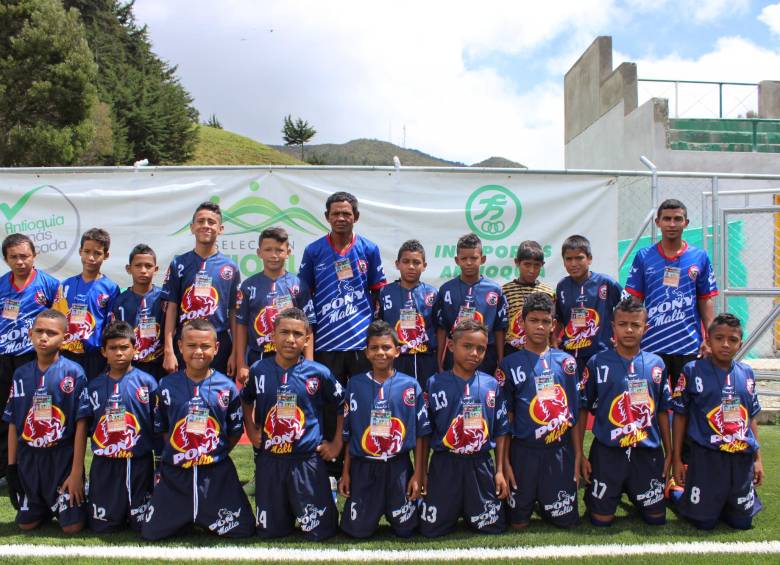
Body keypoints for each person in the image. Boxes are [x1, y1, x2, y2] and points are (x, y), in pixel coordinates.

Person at [298, 191, 386, 477]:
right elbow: (304, 294)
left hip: (361, 345)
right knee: (328, 406)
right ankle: (330, 468)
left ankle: (362, 460)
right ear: (326, 217)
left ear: (356, 217)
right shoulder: (313, 251)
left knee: (364, 403)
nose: (341, 218)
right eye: (335, 213)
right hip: (326, 343)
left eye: (346, 213)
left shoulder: (369, 250)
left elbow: (378, 294)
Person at [142, 319, 254, 540]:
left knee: (244, 530)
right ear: (180, 346)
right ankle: (184, 515)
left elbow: (233, 433)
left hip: (215, 475)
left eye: (205, 346)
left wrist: (211, 453)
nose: (199, 352)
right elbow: (162, 429)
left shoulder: (227, 387)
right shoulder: (166, 386)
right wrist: (182, 451)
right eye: (192, 346)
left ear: (216, 348)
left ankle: (204, 513)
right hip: (176, 474)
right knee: (151, 533)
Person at [241, 308, 344, 540]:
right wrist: (251, 428)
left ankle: (325, 488)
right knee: (270, 533)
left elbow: (342, 406)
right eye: (284, 332)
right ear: (273, 336)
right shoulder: (259, 370)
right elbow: (246, 400)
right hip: (271, 461)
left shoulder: (319, 373)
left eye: (297, 334)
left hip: (306, 462)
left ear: (306, 339)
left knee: (322, 533)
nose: (290, 339)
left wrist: (337, 443)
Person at [579, 299, 672, 527]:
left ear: (645, 328)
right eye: (623, 324)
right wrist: (580, 454)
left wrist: (669, 453)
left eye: (635, 325)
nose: (629, 329)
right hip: (608, 454)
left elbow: (662, 410)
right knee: (601, 520)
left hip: (647, 454)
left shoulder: (656, 364)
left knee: (656, 520)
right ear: (613, 327)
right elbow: (582, 408)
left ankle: (676, 493)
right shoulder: (597, 362)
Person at [670, 313, 764, 530]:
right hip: (706, 459)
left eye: (732, 340)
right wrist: (676, 458)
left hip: (740, 457)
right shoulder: (692, 370)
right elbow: (680, 415)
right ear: (708, 341)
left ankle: (726, 500)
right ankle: (676, 492)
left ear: (740, 344)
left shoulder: (747, 373)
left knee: (742, 523)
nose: (725, 344)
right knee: (703, 522)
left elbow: (750, 417)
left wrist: (757, 459)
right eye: (719, 338)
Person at [339, 320, 430, 538]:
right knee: (357, 531)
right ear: (366, 352)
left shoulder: (410, 386)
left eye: (386, 347)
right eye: (374, 348)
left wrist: (418, 473)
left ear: (397, 351)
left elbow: (421, 433)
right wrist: (345, 472)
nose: (381, 352)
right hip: (364, 468)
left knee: (407, 530)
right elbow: (349, 433)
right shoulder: (355, 385)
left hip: (399, 467)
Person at [498, 292, 581, 529]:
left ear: (553, 325)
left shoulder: (567, 363)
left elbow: (574, 414)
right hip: (524, 453)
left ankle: (548, 497)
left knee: (566, 522)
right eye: (533, 320)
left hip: (559, 452)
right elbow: (506, 419)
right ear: (522, 322)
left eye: (545, 321)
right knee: (518, 523)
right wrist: (505, 463)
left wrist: (576, 456)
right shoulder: (509, 365)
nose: (540, 326)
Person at [419, 319, 509, 537]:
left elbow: (501, 429)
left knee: (492, 527)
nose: (474, 353)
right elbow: (424, 432)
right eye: (467, 346)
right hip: (445, 464)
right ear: (451, 346)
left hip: (480, 463)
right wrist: (421, 471)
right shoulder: (434, 383)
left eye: (480, 348)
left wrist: (499, 471)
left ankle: (472, 506)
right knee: (430, 529)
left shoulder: (491, 385)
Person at [3, 309, 89, 533]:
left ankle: (72, 500)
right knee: (25, 524)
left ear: (64, 338)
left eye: (51, 333)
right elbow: (12, 422)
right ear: (30, 334)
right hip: (29, 459)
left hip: (61, 460)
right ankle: (38, 504)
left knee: (73, 527)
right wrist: (12, 468)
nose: (44, 337)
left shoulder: (74, 372)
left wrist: (77, 472)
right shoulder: (20, 374)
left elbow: (81, 424)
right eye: (39, 331)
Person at [625, 199, 718, 386]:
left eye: (678, 219)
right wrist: (633, 335)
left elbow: (705, 300)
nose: (672, 224)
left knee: (685, 404)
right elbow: (635, 301)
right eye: (666, 219)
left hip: (688, 346)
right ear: (658, 222)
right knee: (648, 401)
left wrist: (709, 338)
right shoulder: (644, 256)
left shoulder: (700, 256)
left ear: (686, 223)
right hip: (651, 346)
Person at [84, 321, 158, 532]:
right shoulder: (94, 387)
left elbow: (158, 425)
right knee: (103, 527)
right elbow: (87, 427)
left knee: (142, 526)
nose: (119, 353)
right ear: (103, 352)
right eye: (113, 348)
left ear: (134, 349)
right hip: (105, 465)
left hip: (139, 464)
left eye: (124, 347)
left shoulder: (147, 383)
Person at [0, 234, 59, 485]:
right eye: (13, 257)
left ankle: (35, 467)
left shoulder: (50, 284)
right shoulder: (2, 284)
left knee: (34, 412)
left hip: (31, 358)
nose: (20, 261)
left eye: (24, 256)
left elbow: (58, 322)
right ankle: (5, 469)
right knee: (5, 413)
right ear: (6, 259)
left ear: (34, 256)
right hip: (3, 358)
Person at [161, 201, 241, 376]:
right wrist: (169, 350)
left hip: (218, 343)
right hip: (186, 341)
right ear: (192, 227)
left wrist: (235, 353)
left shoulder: (230, 267)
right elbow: (171, 309)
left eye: (211, 222)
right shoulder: (178, 264)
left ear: (221, 229)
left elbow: (234, 311)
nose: (206, 226)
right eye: (201, 221)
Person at [235, 227, 314, 384]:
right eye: (268, 250)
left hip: (293, 359)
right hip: (258, 356)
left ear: (288, 252)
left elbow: (308, 327)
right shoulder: (248, 286)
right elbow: (241, 326)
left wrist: (309, 363)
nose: (274, 255)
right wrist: (241, 363)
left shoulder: (298, 285)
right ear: (259, 253)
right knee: (261, 404)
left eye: (279, 250)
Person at [435, 233, 508, 375]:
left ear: (483, 259)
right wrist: (439, 361)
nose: (469, 262)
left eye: (473, 258)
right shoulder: (446, 290)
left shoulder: (495, 290)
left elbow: (499, 328)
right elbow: (442, 328)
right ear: (457, 260)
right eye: (464, 258)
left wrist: (500, 360)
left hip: (486, 354)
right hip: (455, 354)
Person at [53, 228, 120, 380]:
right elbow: (56, 320)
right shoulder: (66, 285)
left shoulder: (111, 288)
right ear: (80, 252)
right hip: (67, 354)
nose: (91, 257)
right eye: (87, 251)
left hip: (95, 356)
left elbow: (111, 325)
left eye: (97, 253)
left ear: (106, 255)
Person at [555, 234, 622, 375]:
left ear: (589, 259)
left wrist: (620, 339)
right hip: (571, 356)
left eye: (579, 258)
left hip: (601, 355)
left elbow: (629, 310)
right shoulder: (562, 286)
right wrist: (555, 343)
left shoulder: (606, 283)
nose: (574, 263)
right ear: (563, 261)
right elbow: (559, 320)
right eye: (569, 259)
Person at [376, 239, 438, 387]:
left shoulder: (433, 293)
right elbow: (378, 326)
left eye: (416, 262)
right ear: (397, 264)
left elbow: (439, 328)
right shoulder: (385, 292)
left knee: (425, 401)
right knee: (396, 400)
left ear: (424, 266)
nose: (411, 266)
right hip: (395, 358)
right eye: (406, 261)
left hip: (426, 359)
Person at [111, 244, 165, 380]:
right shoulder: (120, 301)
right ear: (129, 269)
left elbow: (174, 327)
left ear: (156, 269)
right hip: (130, 366)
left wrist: (168, 346)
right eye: (138, 265)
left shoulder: (164, 298)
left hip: (158, 364)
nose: (143, 270)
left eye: (148, 266)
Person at [502, 240, 554, 355]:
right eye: (527, 264)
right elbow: (500, 328)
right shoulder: (504, 291)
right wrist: (500, 357)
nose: (531, 270)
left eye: (536, 266)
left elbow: (552, 324)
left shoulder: (549, 292)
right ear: (517, 262)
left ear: (542, 265)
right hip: (513, 350)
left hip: (541, 352)